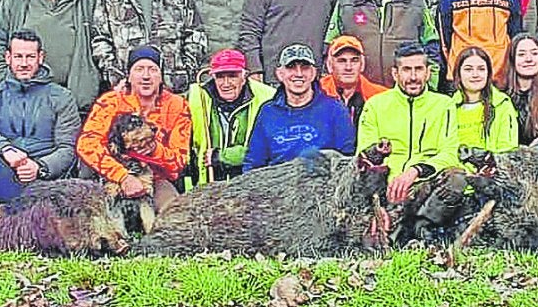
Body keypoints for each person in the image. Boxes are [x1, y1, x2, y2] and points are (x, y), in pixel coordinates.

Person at [0, 30, 83, 212]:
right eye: (18, 56)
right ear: (8, 57)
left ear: (40, 57)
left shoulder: (61, 97)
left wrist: (40, 167)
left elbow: (68, 149)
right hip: (0, 172)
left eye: (30, 57)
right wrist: (4, 148)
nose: (24, 63)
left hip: (40, 180)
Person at [76, 46, 192, 210]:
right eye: (139, 69)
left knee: (172, 213)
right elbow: (87, 144)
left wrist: (155, 150)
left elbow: (179, 162)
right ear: (129, 76)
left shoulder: (177, 106)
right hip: (110, 176)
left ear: (161, 76)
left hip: (155, 179)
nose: (146, 76)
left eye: (152, 69)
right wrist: (123, 176)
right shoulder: (111, 102)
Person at [358, 42, 458, 204]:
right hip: (385, 188)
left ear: (428, 73)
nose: (413, 77)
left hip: (428, 186)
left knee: (456, 179)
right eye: (406, 70)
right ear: (395, 74)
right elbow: (364, 157)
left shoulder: (444, 105)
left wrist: (415, 171)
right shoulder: (375, 106)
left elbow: (449, 153)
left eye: (418, 69)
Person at [243, 44, 355, 173]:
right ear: (279, 74)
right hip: (277, 187)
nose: (299, 74)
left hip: (321, 186)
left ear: (314, 73)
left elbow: (347, 160)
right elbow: (253, 163)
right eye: (291, 67)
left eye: (305, 67)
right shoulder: (268, 112)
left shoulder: (335, 109)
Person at [186, 49, 277, 187]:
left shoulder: (268, 98)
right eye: (220, 76)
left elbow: (270, 148)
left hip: (252, 184)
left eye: (232, 76)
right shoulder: (196, 97)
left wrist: (222, 156)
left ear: (244, 75)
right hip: (208, 184)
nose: (226, 83)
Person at [450, 47, 519, 153]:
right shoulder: (448, 108)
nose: (475, 75)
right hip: (455, 168)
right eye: (468, 69)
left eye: (481, 69)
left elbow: (507, 147)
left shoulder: (502, 104)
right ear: (458, 73)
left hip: (492, 166)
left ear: (489, 73)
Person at [319, 35, 388, 124]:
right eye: (342, 61)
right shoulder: (316, 93)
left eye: (354, 60)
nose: (348, 67)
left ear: (362, 65)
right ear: (329, 65)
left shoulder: (381, 97)